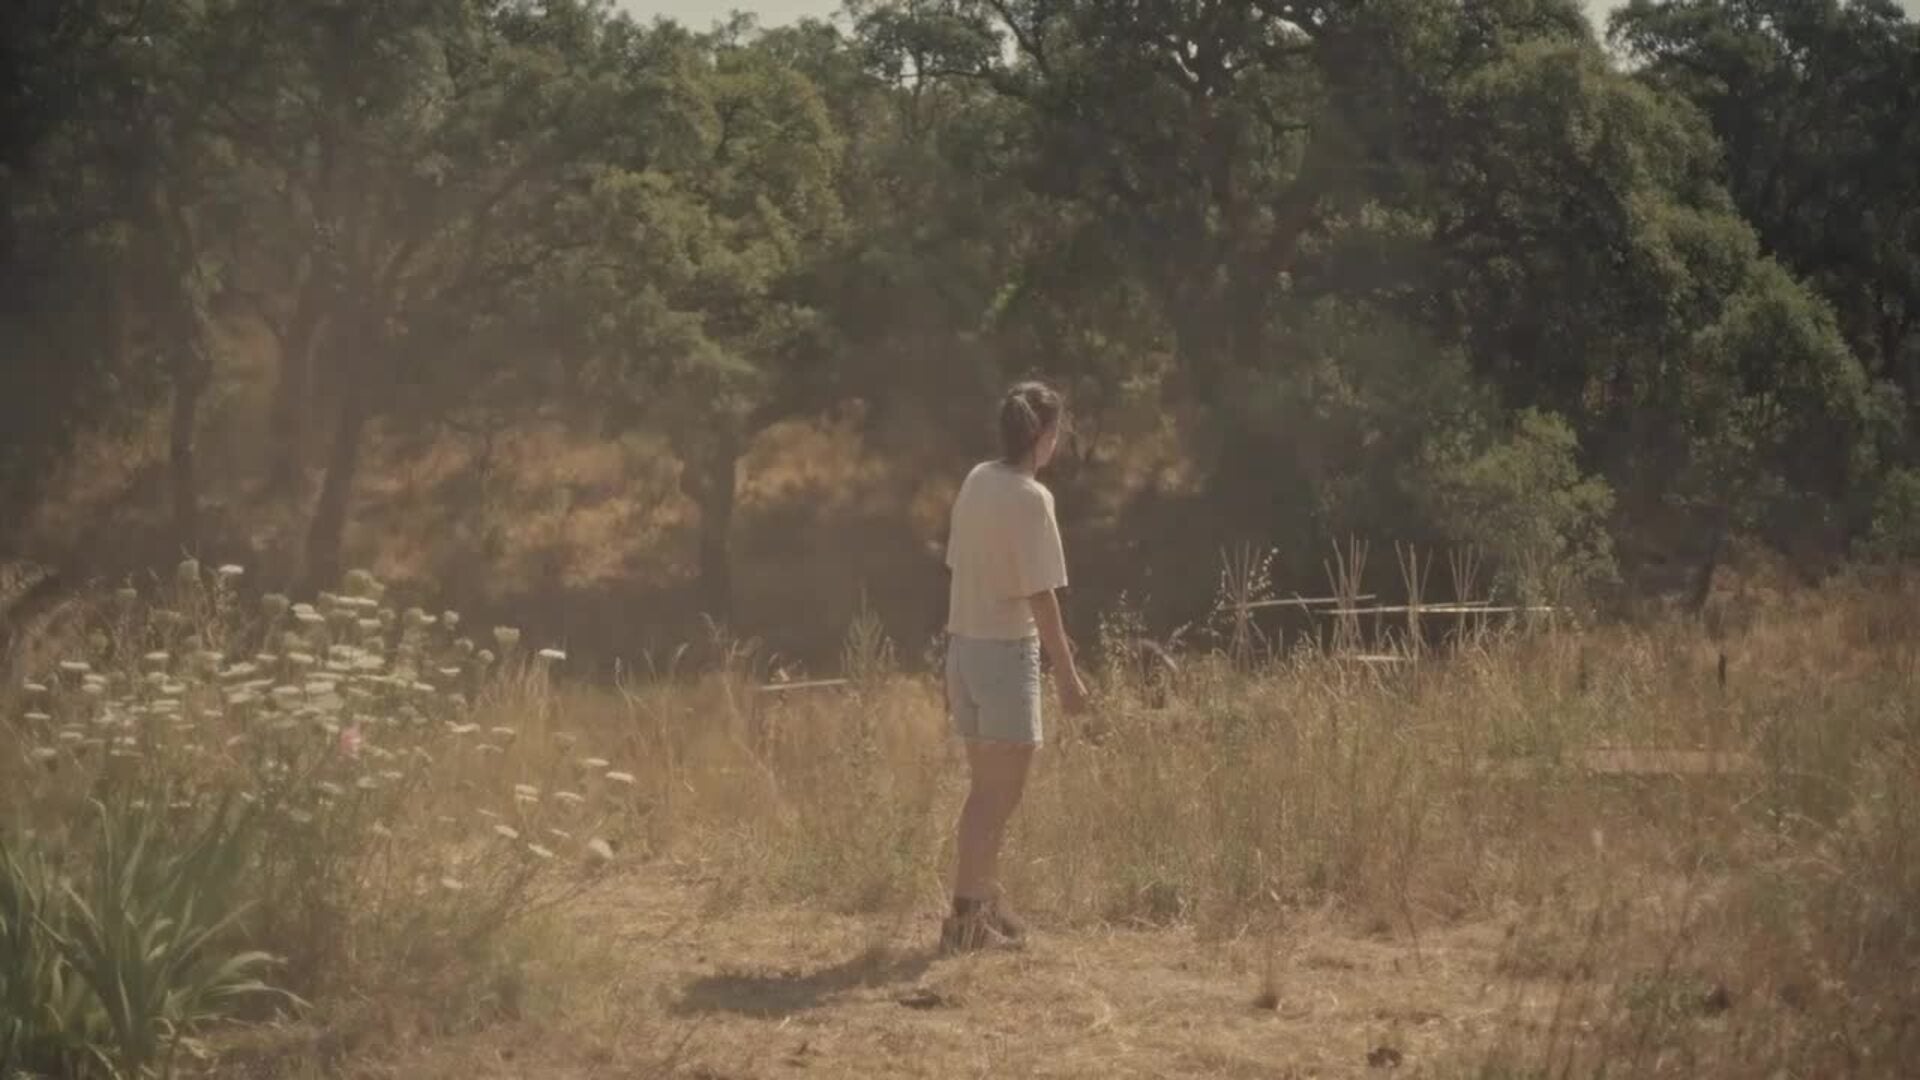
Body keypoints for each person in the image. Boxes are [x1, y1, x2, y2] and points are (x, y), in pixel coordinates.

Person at [939, 380, 1090, 953]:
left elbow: (965, 568)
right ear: (1044, 436)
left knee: (984, 792)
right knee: (996, 798)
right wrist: (1068, 675)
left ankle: (982, 902)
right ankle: (968, 920)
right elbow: (1042, 595)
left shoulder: (977, 479)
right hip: (1004, 654)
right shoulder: (1031, 497)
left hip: (965, 649)